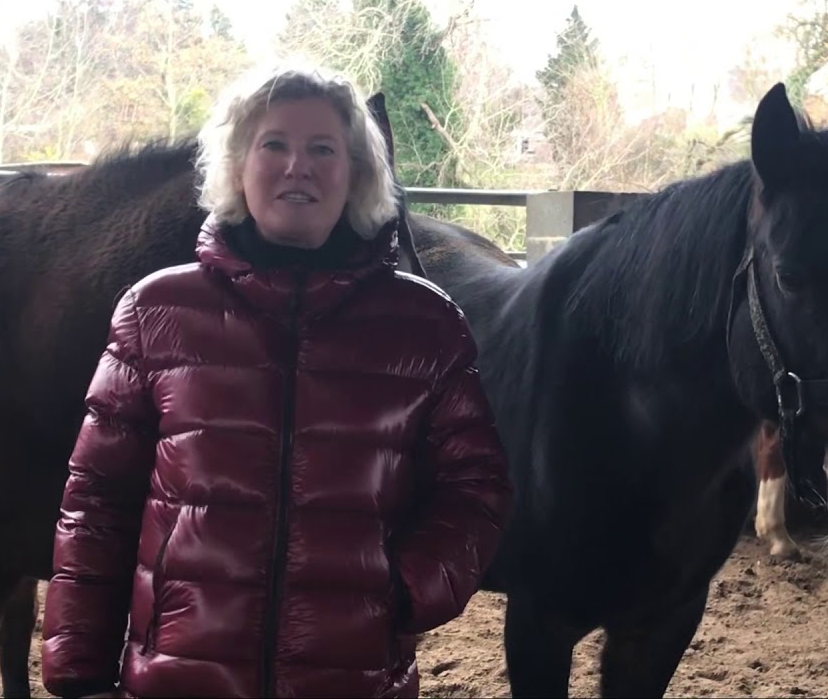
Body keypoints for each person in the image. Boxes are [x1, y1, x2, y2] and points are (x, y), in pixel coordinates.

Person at [39, 64, 514, 699]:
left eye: (324, 149)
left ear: (358, 175)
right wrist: (77, 673)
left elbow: (476, 489)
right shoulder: (155, 313)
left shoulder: (426, 325)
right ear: (238, 164)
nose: (299, 166)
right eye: (275, 145)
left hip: (353, 681)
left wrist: (403, 592)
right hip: (180, 681)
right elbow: (97, 501)